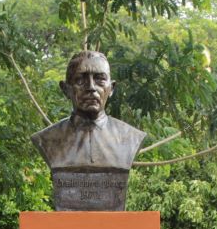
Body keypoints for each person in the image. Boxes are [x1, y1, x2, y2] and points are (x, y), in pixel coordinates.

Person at [31, 50, 146, 211]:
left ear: (111, 88)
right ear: (66, 89)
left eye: (100, 79)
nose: (91, 87)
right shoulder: (47, 139)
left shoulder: (131, 138)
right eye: (80, 80)